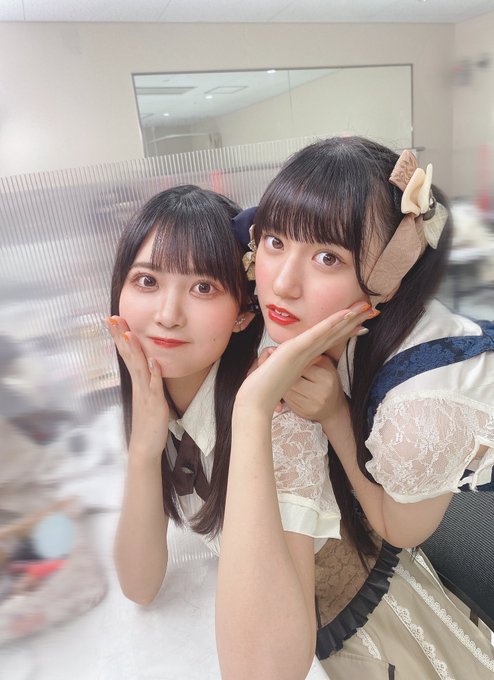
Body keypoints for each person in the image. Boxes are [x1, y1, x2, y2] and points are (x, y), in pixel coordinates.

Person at [236, 136, 494, 678]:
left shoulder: (421, 411)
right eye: (276, 241)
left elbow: (400, 529)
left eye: (327, 257)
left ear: (387, 275)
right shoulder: (339, 316)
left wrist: (333, 415)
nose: (282, 283)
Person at [106, 184, 372, 680]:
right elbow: (139, 586)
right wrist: (143, 452)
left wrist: (251, 413)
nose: (167, 315)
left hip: (357, 636)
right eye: (147, 280)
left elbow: (264, 672)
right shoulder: (154, 395)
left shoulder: (277, 410)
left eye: (203, 288)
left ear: (244, 314)